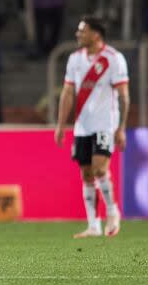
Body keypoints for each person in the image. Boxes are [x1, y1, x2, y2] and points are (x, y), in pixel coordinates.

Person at [55, 16, 129, 239]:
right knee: (86, 173)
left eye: (82, 31)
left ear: (96, 34)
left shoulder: (113, 59)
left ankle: (113, 211)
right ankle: (93, 225)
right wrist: (60, 125)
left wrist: (121, 127)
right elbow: (68, 93)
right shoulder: (74, 59)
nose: (78, 35)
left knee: (99, 168)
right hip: (82, 125)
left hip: (106, 123)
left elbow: (124, 95)